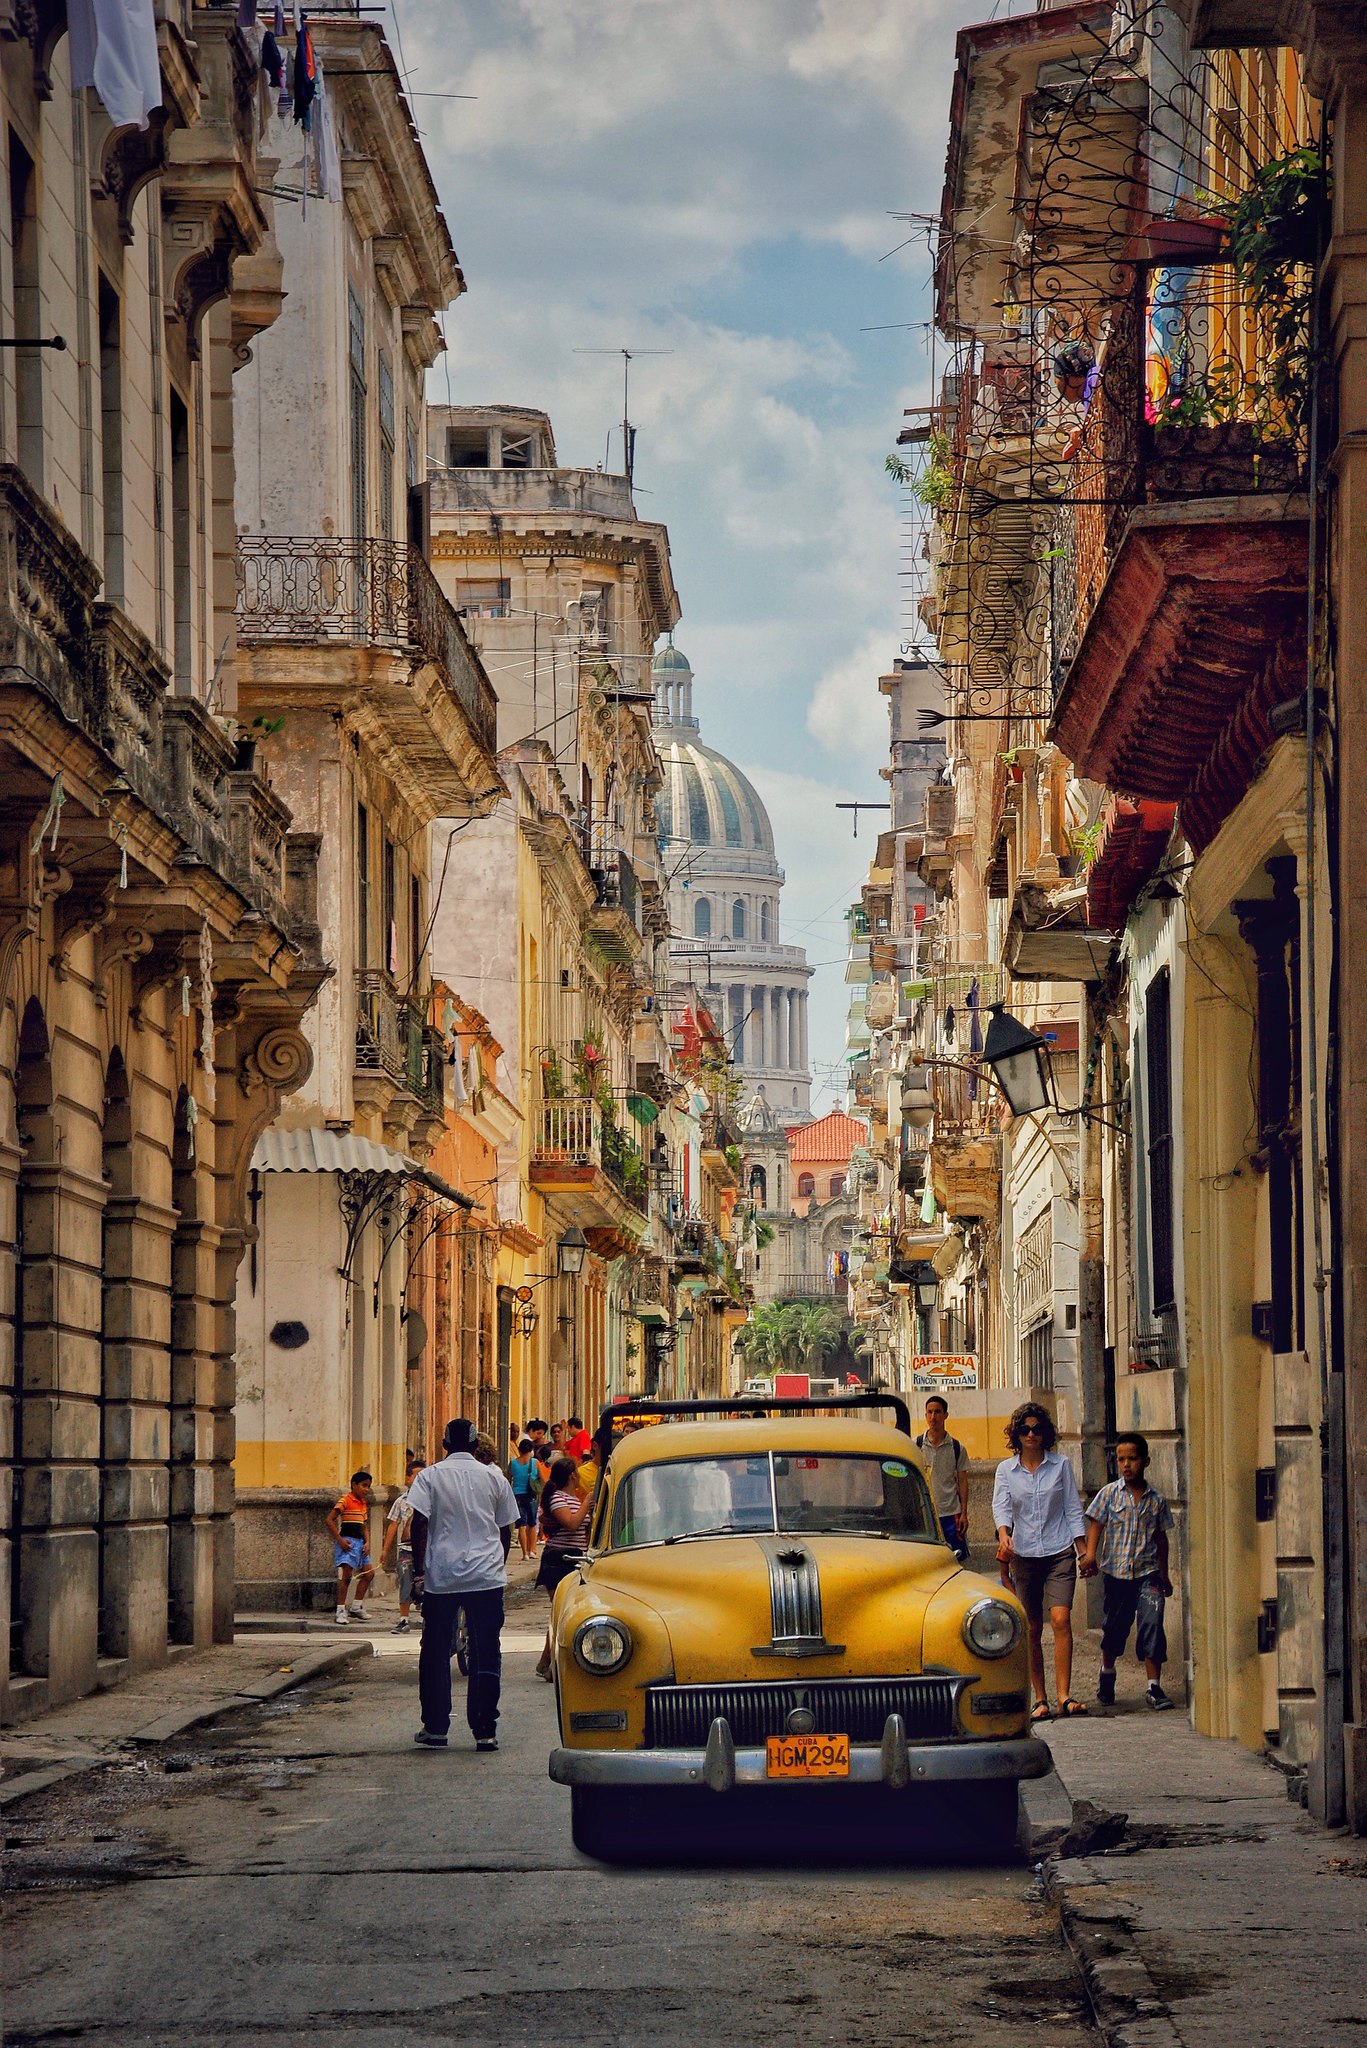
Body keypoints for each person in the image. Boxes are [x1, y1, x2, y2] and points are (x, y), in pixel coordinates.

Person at [407, 1418, 520, 1752]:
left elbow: (420, 1524)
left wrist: (418, 1572)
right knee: (487, 1653)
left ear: (445, 1445)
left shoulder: (429, 1476)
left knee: (435, 1652)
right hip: (485, 1577)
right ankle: (485, 1730)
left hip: (442, 1576)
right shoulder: (494, 1478)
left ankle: (436, 1727)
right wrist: (495, 1565)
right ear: (474, 1446)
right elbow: (505, 1530)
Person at [992, 1403, 1094, 1722]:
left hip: (1059, 1549)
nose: (1032, 1434)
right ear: (1017, 1435)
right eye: (1025, 1429)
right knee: (1032, 1626)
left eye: (1037, 1429)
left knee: (1061, 1620)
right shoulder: (1006, 1471)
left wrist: (1083, 1550)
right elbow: (1002, 1507)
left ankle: (1064, 1695)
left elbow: (1072, 1509)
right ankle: (1041, 1698)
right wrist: (1004, 1535)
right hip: (1024, 1555)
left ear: (1045, 1433)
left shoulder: (1060, 1465)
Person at [1082, 1433, 1176, 1711]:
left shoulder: (1157, 1500)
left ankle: (1154, 1686)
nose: (1126, 1465)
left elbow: (1161, 1539)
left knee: (1152, 1626)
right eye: (1121, 1459)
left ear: (1145, 1461)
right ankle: (1107, 1673)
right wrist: (1090, 1555)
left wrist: (1166, 1575)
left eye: (1132, 1459)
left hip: (1149, 1575)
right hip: (1117, 1576)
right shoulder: (1110, 1493)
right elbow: (1097, 1524)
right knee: (1114, 1629)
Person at [534, 1456, 590, 1682]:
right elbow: (572, 1523)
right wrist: (587, 1504)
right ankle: (549, 1664)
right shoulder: (558, 1498)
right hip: (559, 1559)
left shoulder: (572, 1498)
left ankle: (546, 1662)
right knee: (561, 1612)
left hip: (575, 1558)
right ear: (571, 1476)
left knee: (563, 1613)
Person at [916, 1396, 970, 1561]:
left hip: (951, 1513)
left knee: (955, 1559)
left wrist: (964, 1513)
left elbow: (962, 1481)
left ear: (945, 1415)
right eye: (930, 1412)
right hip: (925, 1513)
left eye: (938, 1412)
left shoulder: (956, 1448)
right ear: (925, 1415)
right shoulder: (916, 1445)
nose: (934, 1417)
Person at [379, 1455, 425, 1632]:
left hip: (425, 1550)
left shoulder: (431, 1500)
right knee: (405, 1583)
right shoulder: (402, 1501)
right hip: (406, 1549)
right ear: (408, 1478)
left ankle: (426, 1617)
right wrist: (385, 1549)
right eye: (417, 1475)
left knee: (425, 1585)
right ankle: (404, 1620)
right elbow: (393, 1525)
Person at [325, 1470, 375, 1624]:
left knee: (369, 1574)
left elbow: (364, 1525)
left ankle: (356, 1606)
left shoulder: (362, 1503)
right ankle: (340, 1610)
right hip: (348, 1542)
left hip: (360, 1543)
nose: (366, 1489)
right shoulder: (345, 1500)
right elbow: (330, 1520)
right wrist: (340, 1540)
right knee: (346, 1576)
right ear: (354, 1485)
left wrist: (367, 1542)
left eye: (368, 1486)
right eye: (363, 1486)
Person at [508, 1436, 540, 1560]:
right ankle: (532, 1550)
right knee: (532, 1524)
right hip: (531, 1495)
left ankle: (524, 1553)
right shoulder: (535, 1463)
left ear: (519, 1450)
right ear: (531, 1450)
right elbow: (542, 1479)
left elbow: (508, 1479)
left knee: (521, 1524)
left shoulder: (513, 1463)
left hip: (517, 1495)